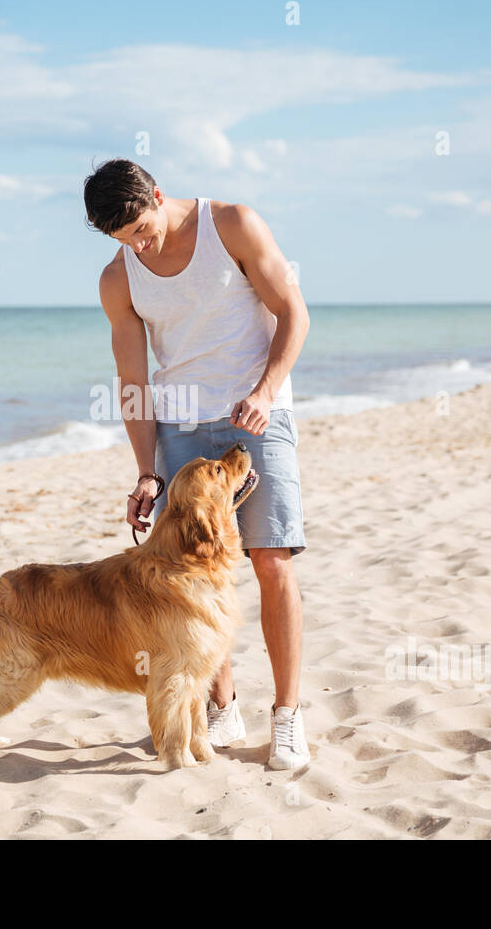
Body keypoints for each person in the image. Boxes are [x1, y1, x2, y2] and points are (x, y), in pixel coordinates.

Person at [83, 157, 311, 770]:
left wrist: (265, 392)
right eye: (124, 239)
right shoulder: (118, 279)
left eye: (142, 229)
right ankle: (222, 706)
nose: (139, 244)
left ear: (157, 194)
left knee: (271, 559)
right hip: (180, 430)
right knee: (192, 572)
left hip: (254, 416)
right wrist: (146, 470)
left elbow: (295, 313)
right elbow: (133, 382)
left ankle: (287, 718)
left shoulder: (232, 224)